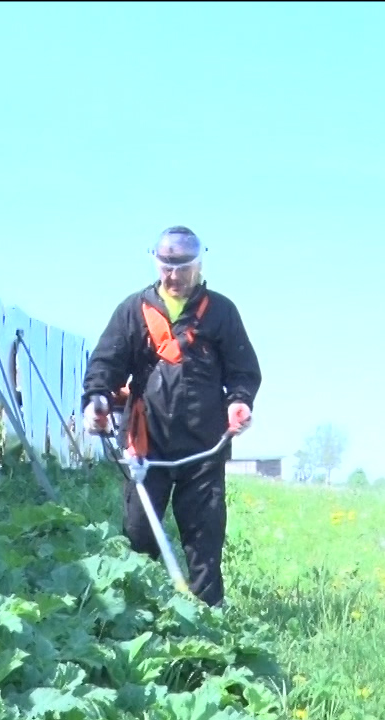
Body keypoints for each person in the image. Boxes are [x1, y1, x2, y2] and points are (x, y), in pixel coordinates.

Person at [81, 226, 261, 606]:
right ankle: (140, 612)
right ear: (156, 264)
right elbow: (106, 363)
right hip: (148, 444)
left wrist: (239, 401)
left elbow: (243, 370)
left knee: (205, 539)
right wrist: (96, 399)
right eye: (166, 267)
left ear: (198, 265)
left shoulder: (221, 312)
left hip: (204, 447)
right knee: (139, 534)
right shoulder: (133, 310)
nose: (173, 276)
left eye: (182, 267)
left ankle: (208, 621)